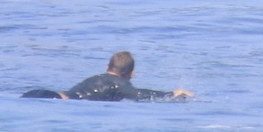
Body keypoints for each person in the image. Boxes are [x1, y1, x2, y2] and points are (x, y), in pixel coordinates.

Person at [21, 52, 193, 102]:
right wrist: (171, 94)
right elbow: (140, 95)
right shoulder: (121, 84)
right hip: (55, 100)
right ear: (130, 75)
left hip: (43, 93)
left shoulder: (94, 77)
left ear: (107, 67)